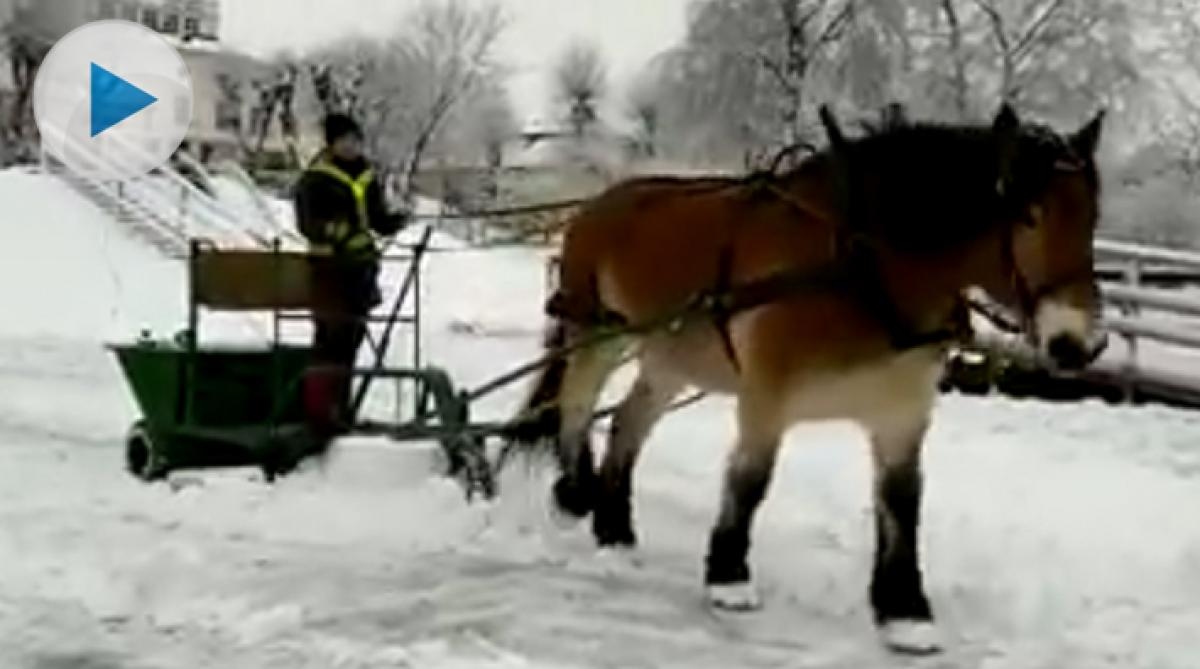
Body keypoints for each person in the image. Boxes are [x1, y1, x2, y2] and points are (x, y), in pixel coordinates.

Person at [294, 113, 407, 436]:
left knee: (352, 342)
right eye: (345, 140)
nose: (352, 146)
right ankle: (318, 413)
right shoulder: (315, 179)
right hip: (328, 272)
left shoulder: (366, 174)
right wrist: (341, 234)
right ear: (331, 144)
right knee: (330, 342)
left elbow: (375, 218)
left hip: (360, 271)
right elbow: (308, 224)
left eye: (355, 140)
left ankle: (341, 409)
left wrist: (392, 222)